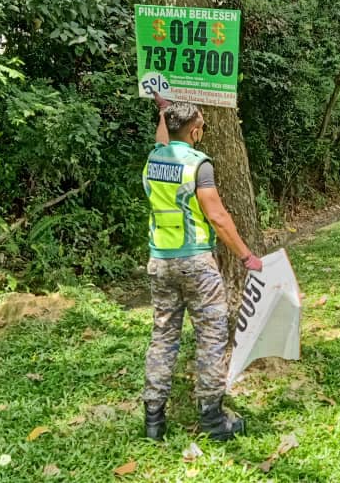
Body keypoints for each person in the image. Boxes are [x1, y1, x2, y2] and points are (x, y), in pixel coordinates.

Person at [142, 97, 263, 441]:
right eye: (203, 126)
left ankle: (154, 422)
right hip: (195, 262)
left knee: (163, 337)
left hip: (160, 261)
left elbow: (161, 140)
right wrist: (245, 256)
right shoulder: (199, 165)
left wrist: (162, 111)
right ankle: (212, 420)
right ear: (195, 131)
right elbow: (218, 217)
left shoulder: (155, 159)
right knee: (211, 336)